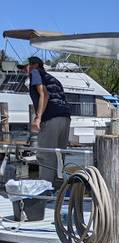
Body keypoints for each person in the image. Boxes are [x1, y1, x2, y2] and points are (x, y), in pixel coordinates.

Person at [18, 56, 71, 185]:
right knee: (59, 156)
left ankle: (44, 191)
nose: (24, 70)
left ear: (35, 65)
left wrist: (38, 118)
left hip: (51, 119)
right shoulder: (54, 79)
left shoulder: (35, 73)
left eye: (26, 67)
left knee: (46, 156)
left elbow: (44, 94)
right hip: (65, 117)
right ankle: (59, 189)